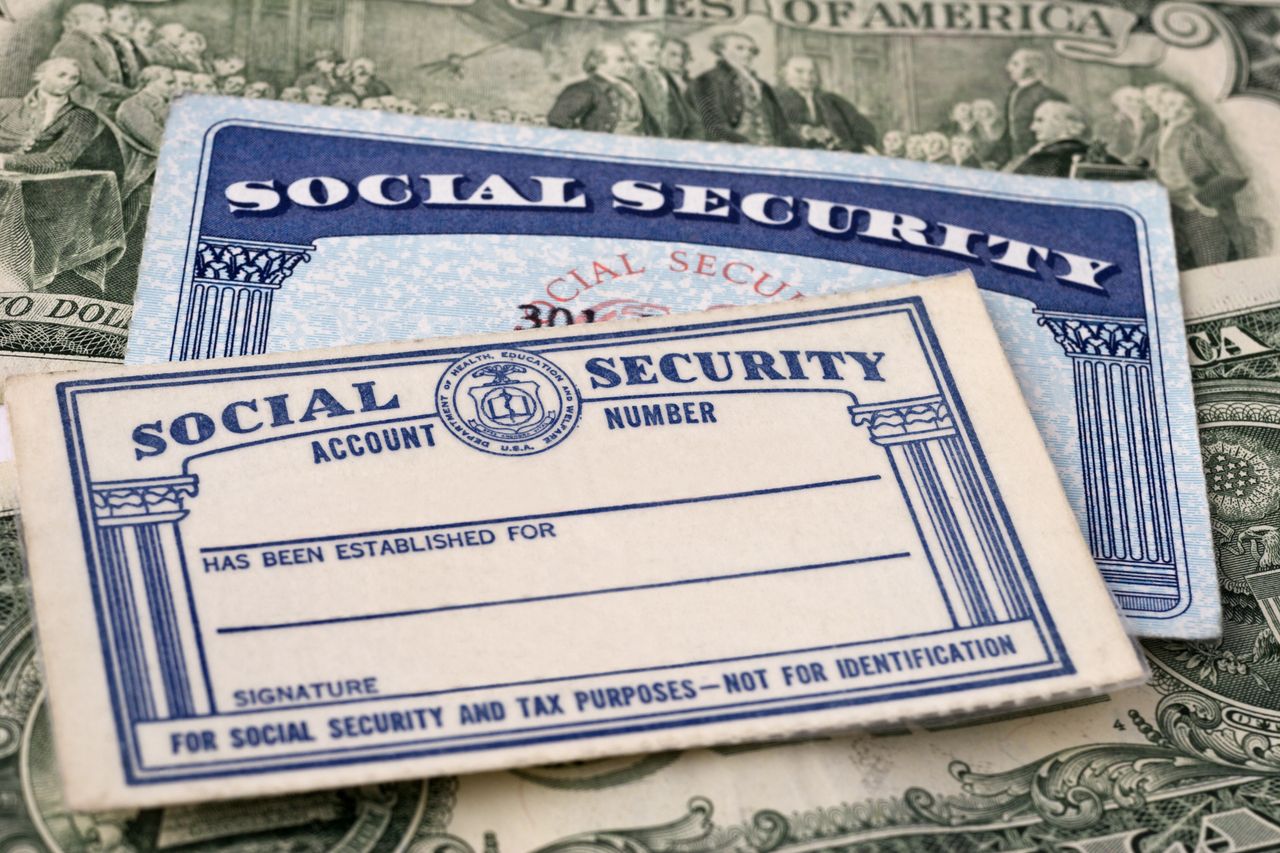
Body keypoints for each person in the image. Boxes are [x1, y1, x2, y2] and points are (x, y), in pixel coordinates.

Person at [1150, 87, 1249, 267]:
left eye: (1171, 104)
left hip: (1201, 212)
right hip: (1173, 209)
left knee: (1211, 266)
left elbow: (1235, 174)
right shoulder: (1163, 132)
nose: (1164, 107)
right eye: (1162, 103)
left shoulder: (1198, 136)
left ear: (1186, 108)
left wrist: (1201, 198)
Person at [0, 58, 105, 173]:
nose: (67, 82)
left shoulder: (82, 116)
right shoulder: (5, 106)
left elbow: (59, 160)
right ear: (41, 75)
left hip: (41, 183)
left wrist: (6, 161)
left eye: (73, 78)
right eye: (61, 75)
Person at [691, 32, 793, 146]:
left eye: (752, 50)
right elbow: (711, 125)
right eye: (740, 48)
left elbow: (782, 126)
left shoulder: (763, 85)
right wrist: (743, 143)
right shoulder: (707, 80)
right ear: (721, 51)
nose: (748, 54)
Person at [548, 41, 655, 135]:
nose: (629, 66)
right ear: (599, 62)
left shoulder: (629, 87)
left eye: (630, 60)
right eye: (621, 60)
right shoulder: (583, 88)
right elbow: (557, 120)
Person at [776, 55, 876, 153]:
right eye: (799, 72)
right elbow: (774, 127)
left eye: (812, 72)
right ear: (785, 74)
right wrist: (805, 131)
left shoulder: (831, 99)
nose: (807, 77)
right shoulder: (775, 99)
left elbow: (860, 123)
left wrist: (857, 145)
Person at [50, 4, 132, 111]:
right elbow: (99, 86)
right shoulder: (74, 45)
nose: (106, 24)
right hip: (82, 109)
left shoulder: (93, 42)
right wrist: (132, 94)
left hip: (97, 104)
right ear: (83, 21)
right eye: (101, 20)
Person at [624, 29, 698, 139]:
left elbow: (690, 118)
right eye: (651, 45)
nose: (658, 50)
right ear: (633, 49)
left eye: (659, 46)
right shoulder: (629, 77)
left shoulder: (665, 76)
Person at [998, 48, 1065, 163]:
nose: (1008, 68)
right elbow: (1009, 131)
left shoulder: (1046, 94)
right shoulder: (1013, 92)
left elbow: (1060, 133)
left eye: (1015, 64)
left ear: (1030, 67)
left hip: (1041, 159)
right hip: (1016, 158)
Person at [1005, 100, 1096, 177]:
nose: (1032, 127)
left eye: (1040, 120)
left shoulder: (1046, 157)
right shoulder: (1092, 153)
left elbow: (1011, 184)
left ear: (1059, 122)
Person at [115, 64, 172, 151]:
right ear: (151, 82)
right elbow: (158, 143)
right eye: (169, 83)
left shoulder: (166, 104)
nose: (175, 87)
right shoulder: (131, 106)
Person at [1097, 85, 1157, 164]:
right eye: (1129, 99)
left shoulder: (1149, 124)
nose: (1134, 104)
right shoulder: (1109, 123)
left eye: (1139, 101)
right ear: (1118, 102)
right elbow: (1106, 150)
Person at [105, 3, 147, 89]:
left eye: (134, 20)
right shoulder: (106, 44)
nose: (131, 24)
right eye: (124, 19)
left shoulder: (132, 44)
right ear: (108, 21)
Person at [971, 98, 1004, 163]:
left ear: (990, 110)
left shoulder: (1001, 122)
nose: (978, 113)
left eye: (981, 110)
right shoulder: (976, 127)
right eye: (975, 110)